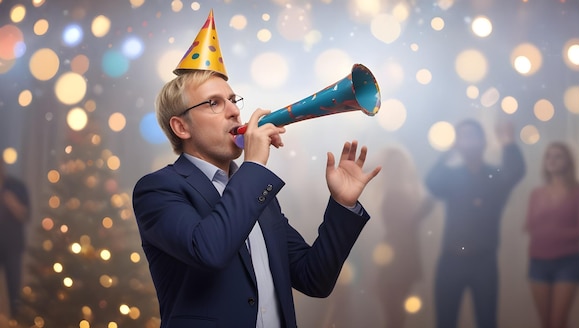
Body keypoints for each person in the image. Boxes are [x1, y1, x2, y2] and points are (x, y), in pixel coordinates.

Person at [132, 11, 381, 327]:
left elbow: (313, 278)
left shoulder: (256, 192)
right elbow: (209, 250)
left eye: (233, 100)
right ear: (181, 127)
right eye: (214, 103)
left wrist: (343, 205)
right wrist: (252, 166)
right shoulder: (158, 189)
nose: (235, 111)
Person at [425, 119, 526, 328]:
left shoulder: (494, 176)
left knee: (487, 321)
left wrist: (508, 141)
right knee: (445, 322)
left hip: (484, 262)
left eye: (471, 135)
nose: (466, 140)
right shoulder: (453, 176)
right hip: (451, 260)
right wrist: (448, 152)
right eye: (461, 136)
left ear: (483, 142)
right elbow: (431, 182)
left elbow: (516, 171)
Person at [525, 142, 579, 328]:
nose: (552, 160)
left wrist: (550, 231)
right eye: (548, 156)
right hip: (538, 261)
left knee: (558, 322)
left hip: (568, 261)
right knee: (545, 323)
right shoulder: (536, 193)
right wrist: (550, 231)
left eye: (558, 156)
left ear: (567, 161)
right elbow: (530, 226)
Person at [374, 146, 434, 328]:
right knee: (395, 318)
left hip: (403, 261)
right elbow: (403, 226)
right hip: (397, 262)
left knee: (398, 318)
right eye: (395, 164)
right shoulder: (392, 194)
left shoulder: (407, 191)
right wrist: (424, 210)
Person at [0, 160, 30, 319]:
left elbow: (26, 215)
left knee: (14, 292)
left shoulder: (16, 186)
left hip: (12, 246)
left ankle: (16, 321)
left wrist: (13, 203)